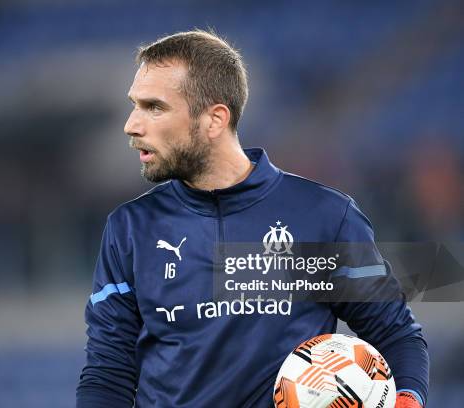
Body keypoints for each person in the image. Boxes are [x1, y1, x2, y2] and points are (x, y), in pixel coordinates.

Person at [76, 30, 429, 408]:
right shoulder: (129, 229)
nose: (132, 124)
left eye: (154, 107)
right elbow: (108, 371)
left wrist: (407, 399)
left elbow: (395, 335)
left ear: (214, 119)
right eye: (135, 105)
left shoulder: (325, 217)